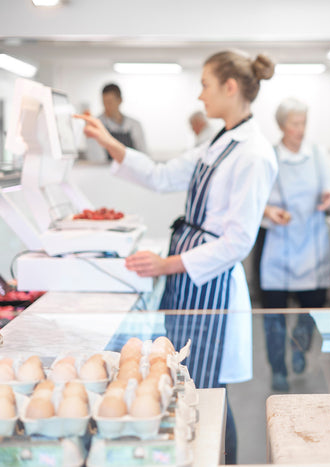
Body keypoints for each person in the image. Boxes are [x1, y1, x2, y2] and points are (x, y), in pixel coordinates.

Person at [76, 50, 277, 464]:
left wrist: (167, 264)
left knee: (206, 395)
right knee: (190, 388)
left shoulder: (253, 153)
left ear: (230, 87)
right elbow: (162, 175)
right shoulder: (219, 142)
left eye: (205, 84)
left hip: (212, 289)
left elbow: (238, 243)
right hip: (190, 284)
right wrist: (108, 141)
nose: (199, 95)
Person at [259, 97, 330, 391]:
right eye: (294, 124)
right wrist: (268, 212)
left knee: (311, 311)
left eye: (303, 123)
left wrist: (329, 195)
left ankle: (299, 349)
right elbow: (255, 199)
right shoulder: (269, 156)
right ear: (281, 126)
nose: (300, 130)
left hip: (313, 245)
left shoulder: (317, 153)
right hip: (279, 246)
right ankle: (278, 368)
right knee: (273, 318)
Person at [86, 83, 147, 162]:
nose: (107, 107)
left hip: (132, 170)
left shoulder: (134, 125)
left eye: (110, 102)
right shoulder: (96, 125)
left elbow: (143, 155)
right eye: (104, 102)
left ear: (120, 100)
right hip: (105, 171)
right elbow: (97, 159)